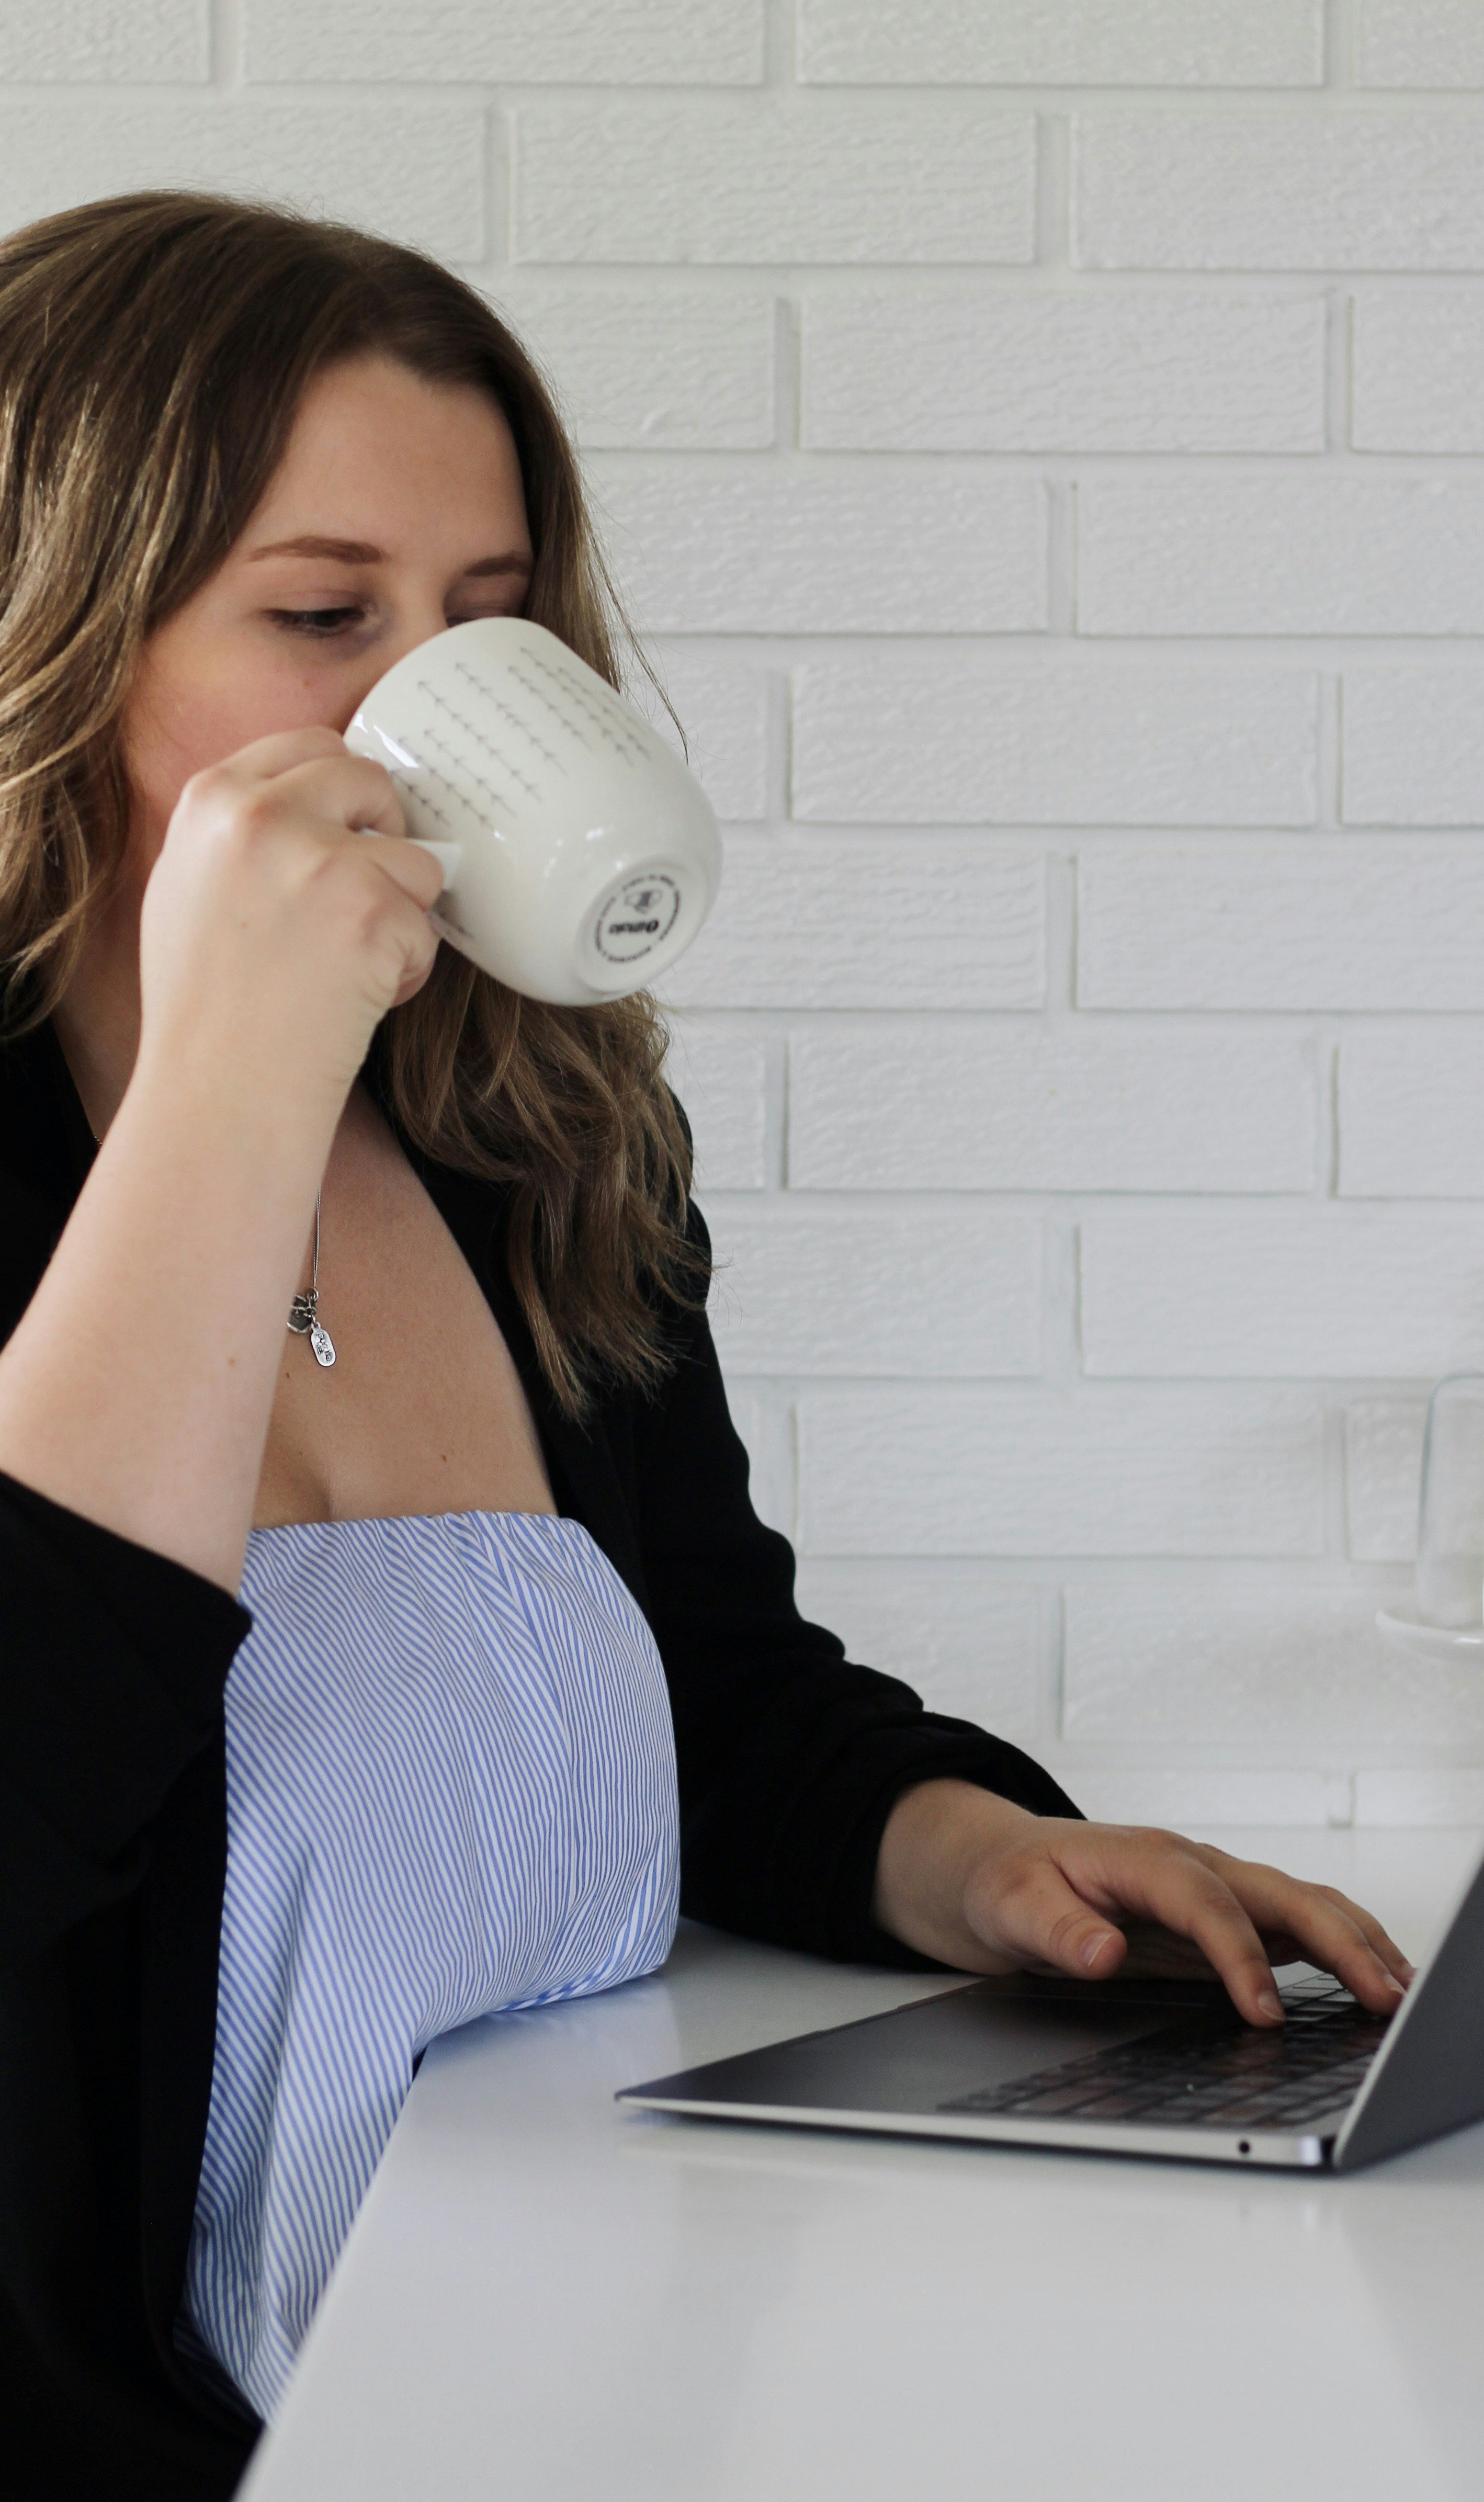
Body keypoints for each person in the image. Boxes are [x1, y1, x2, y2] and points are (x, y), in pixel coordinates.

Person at [0, 194, 1412, 2500]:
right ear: (56, 635)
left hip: (595, 2357)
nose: (435, 713)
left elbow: (712, 1684)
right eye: (319, 617)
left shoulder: (533, 1132)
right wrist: (231, 1076)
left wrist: (977, 1860)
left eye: (490, 624)